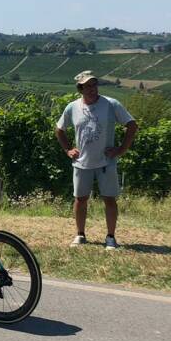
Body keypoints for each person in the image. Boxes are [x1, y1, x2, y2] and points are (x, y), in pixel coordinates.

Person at [54, 71, 137, 249]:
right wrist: (68, 149)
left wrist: (121, 149)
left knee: (109, 199)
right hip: (81, 162)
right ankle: (80, 234)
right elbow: (59, 129)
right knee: (80, 199)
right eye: (88, 86)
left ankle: (110, 237)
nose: (92, 89)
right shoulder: (72, 107)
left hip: (106, 162)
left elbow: (131, 125)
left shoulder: (111, 104)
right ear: (80, 89)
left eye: (94, 84)